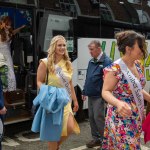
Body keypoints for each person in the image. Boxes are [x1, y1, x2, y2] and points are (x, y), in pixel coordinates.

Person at [101, 30, 150, 149]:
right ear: (129, 49)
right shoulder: (115, 68)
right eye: (140, 47)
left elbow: (137, 89)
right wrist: (118, 103)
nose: (143, 50)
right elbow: (105, 91)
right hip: (121, 117)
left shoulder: (137, 65)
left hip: (136, 116)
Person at [36, 35, 80, 150]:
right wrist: (48, 91)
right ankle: (53, 147)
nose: (62, 47)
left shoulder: (68, 64)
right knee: (53, 133)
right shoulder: (45, 63)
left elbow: (70, 84)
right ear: (54, 46)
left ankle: (55, 147)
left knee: (70, 127)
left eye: (64, 45)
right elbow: (39, 81)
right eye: (59, 45)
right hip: (52, 101)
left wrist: (75, 100)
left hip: (65, 100)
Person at [82, 40, 112, 148]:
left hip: (99, 96)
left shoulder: (107, 61)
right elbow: (88, 77)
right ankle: (96, 139)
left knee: (98, 118)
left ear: (99, 49)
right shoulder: (91, 61)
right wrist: (84, 91)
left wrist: (106, 96)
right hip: (91, 94)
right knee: (91, 117)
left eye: (92, 49)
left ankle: (105, 141)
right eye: (89, 49)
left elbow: (109, 81)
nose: (90, 52)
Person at [0, 16, 25, 91]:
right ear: (3, 23)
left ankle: (10, 90)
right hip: (1, 54)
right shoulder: (1, 31)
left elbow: (14, 32)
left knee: (10, 71)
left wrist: (21, 28)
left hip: (7, 54)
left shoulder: (8, 32)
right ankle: (4, 90)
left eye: (9, 25)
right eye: (7, 24)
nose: (8, 26)